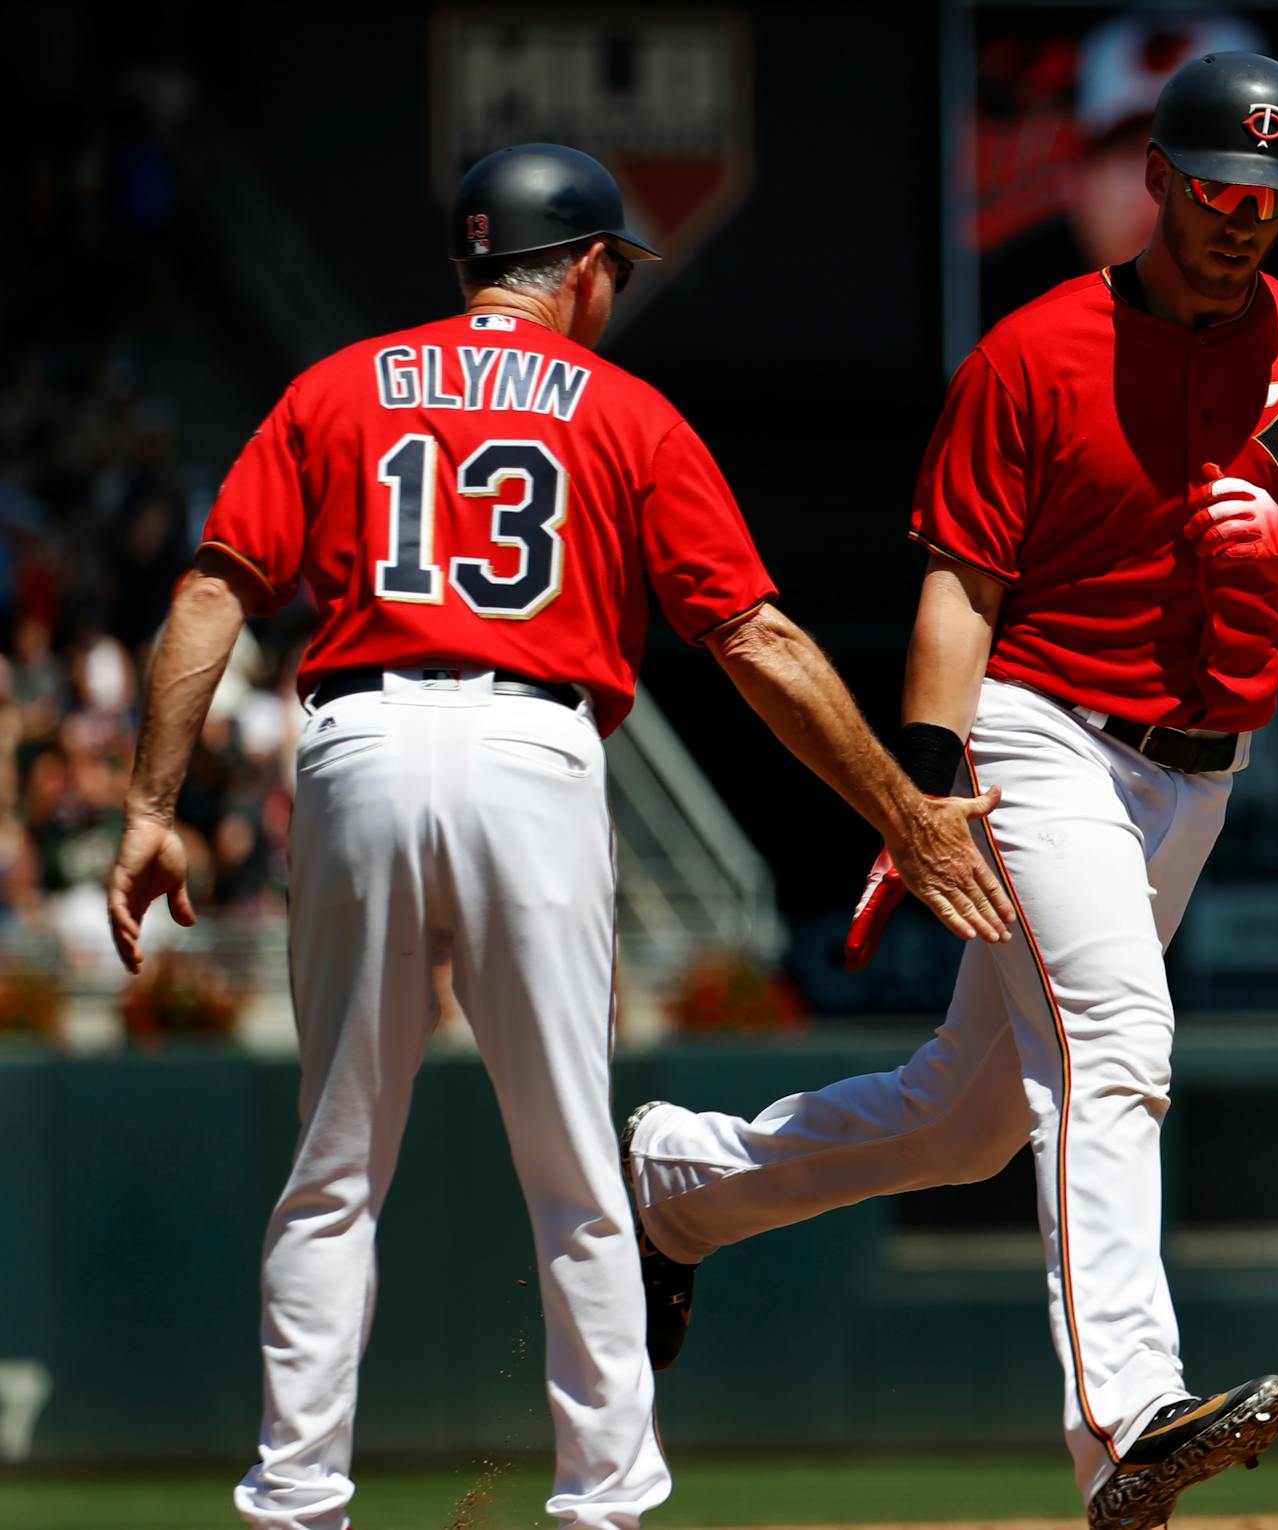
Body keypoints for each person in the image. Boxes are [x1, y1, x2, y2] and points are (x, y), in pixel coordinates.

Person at [104, 143, 1012, 1530]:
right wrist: (905, 809)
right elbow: (755, 639)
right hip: (532, 749)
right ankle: (600, 1505)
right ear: (585, 266)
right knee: (578, 1172)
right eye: (614, 272)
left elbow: (212, 592)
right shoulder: (623, 409)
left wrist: (151, 807)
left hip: (357, 743)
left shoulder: (337, 386)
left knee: (332, 1172)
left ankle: (294, 1502)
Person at [623, 52, 1278, 1530]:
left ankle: (680, 1184)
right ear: (1157, 179)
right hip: (1041, 730)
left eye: (1272, 197)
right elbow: (961, 592)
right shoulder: (1033, 352)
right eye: (1220, 189)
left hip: (1197, 775)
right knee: (1121, 1033)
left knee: (968, 1122)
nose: (1244, 218)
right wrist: (923, 789)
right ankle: (1128, 1419)